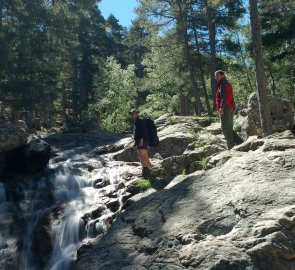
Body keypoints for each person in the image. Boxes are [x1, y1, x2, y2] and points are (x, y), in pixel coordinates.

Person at [215, 70, 243, 149]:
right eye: (215, 75)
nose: (215, 77)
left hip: (226, 108)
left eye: (217, 75)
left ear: (222, 75)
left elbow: (224, 97)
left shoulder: (223, 84)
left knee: (225, 129)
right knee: (229, 129)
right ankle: (241, 143)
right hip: (230, 107)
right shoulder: (226, 83)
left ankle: (231, 148)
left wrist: (221, 107)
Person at [129, 109, 151, 179]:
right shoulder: (138, 121)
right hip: (143, 141)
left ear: (137, 114)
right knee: (145, 156)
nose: (132, 115)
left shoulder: (139, 121)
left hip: (141, 141)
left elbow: (143, 131)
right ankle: (149, 170)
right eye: (131, 114)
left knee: (142, 156)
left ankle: (145, 173)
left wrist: (141, 140)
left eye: (133, 113)